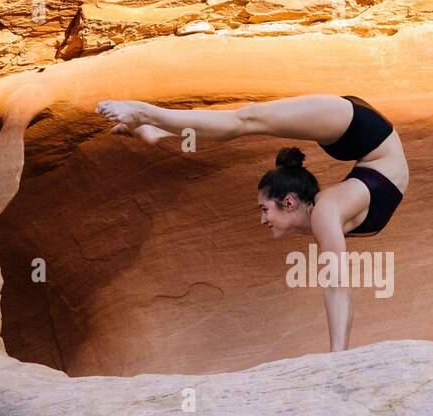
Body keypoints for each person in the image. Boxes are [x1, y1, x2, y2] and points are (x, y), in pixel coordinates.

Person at [96, 94, 409, 352]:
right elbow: (337, 288)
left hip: (362, 133)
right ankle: (148, 117)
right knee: (246, 120)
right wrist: (338, 359)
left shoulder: (326, 214)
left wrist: (336, 361)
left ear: (289, 202)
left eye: (263, 210)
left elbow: (337, 289)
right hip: (362, 132)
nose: (262, 219)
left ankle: (151, 120)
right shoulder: (326, 213)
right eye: (263, 210)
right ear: (290, 201)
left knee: (247, 121)